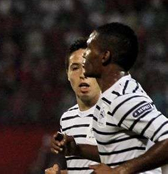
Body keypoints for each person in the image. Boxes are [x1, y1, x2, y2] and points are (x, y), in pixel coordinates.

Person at [51, 22, 168, 173]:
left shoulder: (122, 98)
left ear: (105, 56)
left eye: (90, 49)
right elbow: (114, 151)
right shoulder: (109, 97)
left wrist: (119, 171)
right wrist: (77, 150)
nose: (85, 54)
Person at [45, 38, 101, 174]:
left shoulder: (118, 110)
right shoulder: (67, 119)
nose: (83, 74)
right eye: (75, 68)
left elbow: (129, 159)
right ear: (67, 74)